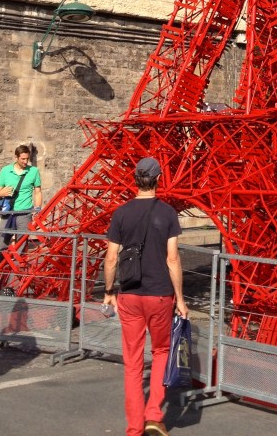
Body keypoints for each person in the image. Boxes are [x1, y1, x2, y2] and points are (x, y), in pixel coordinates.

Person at [103, 157, 188, 436]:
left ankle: (134, 428)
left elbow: (111, 258)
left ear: (135, 179)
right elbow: (173, 258)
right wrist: (181, 298)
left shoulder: (122, 213)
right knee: (161, 351)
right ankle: (154, 413)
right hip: (160, 294)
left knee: (132, 362)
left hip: (129, 293)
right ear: (158, 178)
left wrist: (108, 291)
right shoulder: (167, 214)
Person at [0, 145, 42, 241]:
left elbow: (38, 192)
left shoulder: (34, 171)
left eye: (27, 159)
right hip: (7, 212)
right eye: (22, 159)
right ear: (16, 157)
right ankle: (1, 256)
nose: (25, 161)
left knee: (22, 244)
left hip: (25, 213)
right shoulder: (5, 170)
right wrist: (0, 194)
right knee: (2, 243)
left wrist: (37, 209)